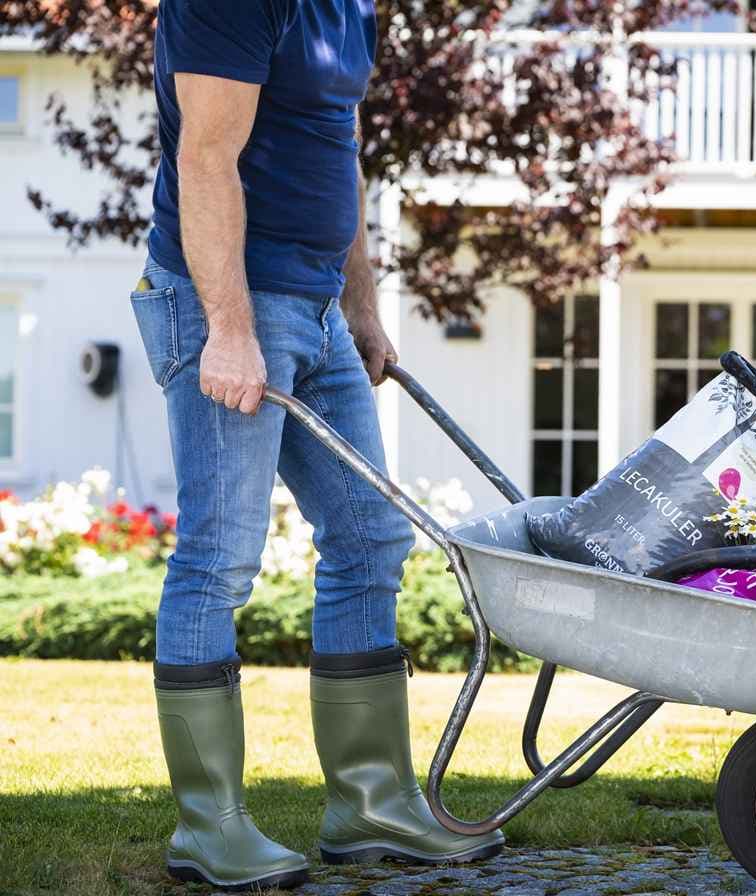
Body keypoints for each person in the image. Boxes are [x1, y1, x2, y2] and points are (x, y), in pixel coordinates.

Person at [129, 1, 503, 889]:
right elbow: (206, 156)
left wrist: (362, 306)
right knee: (220, 556)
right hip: (228, 303)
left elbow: (341, 148)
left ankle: (370, 803)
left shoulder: (352, 7)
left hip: (318, 305)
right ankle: (207, 827)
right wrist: (228, 330)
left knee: (371, 537)